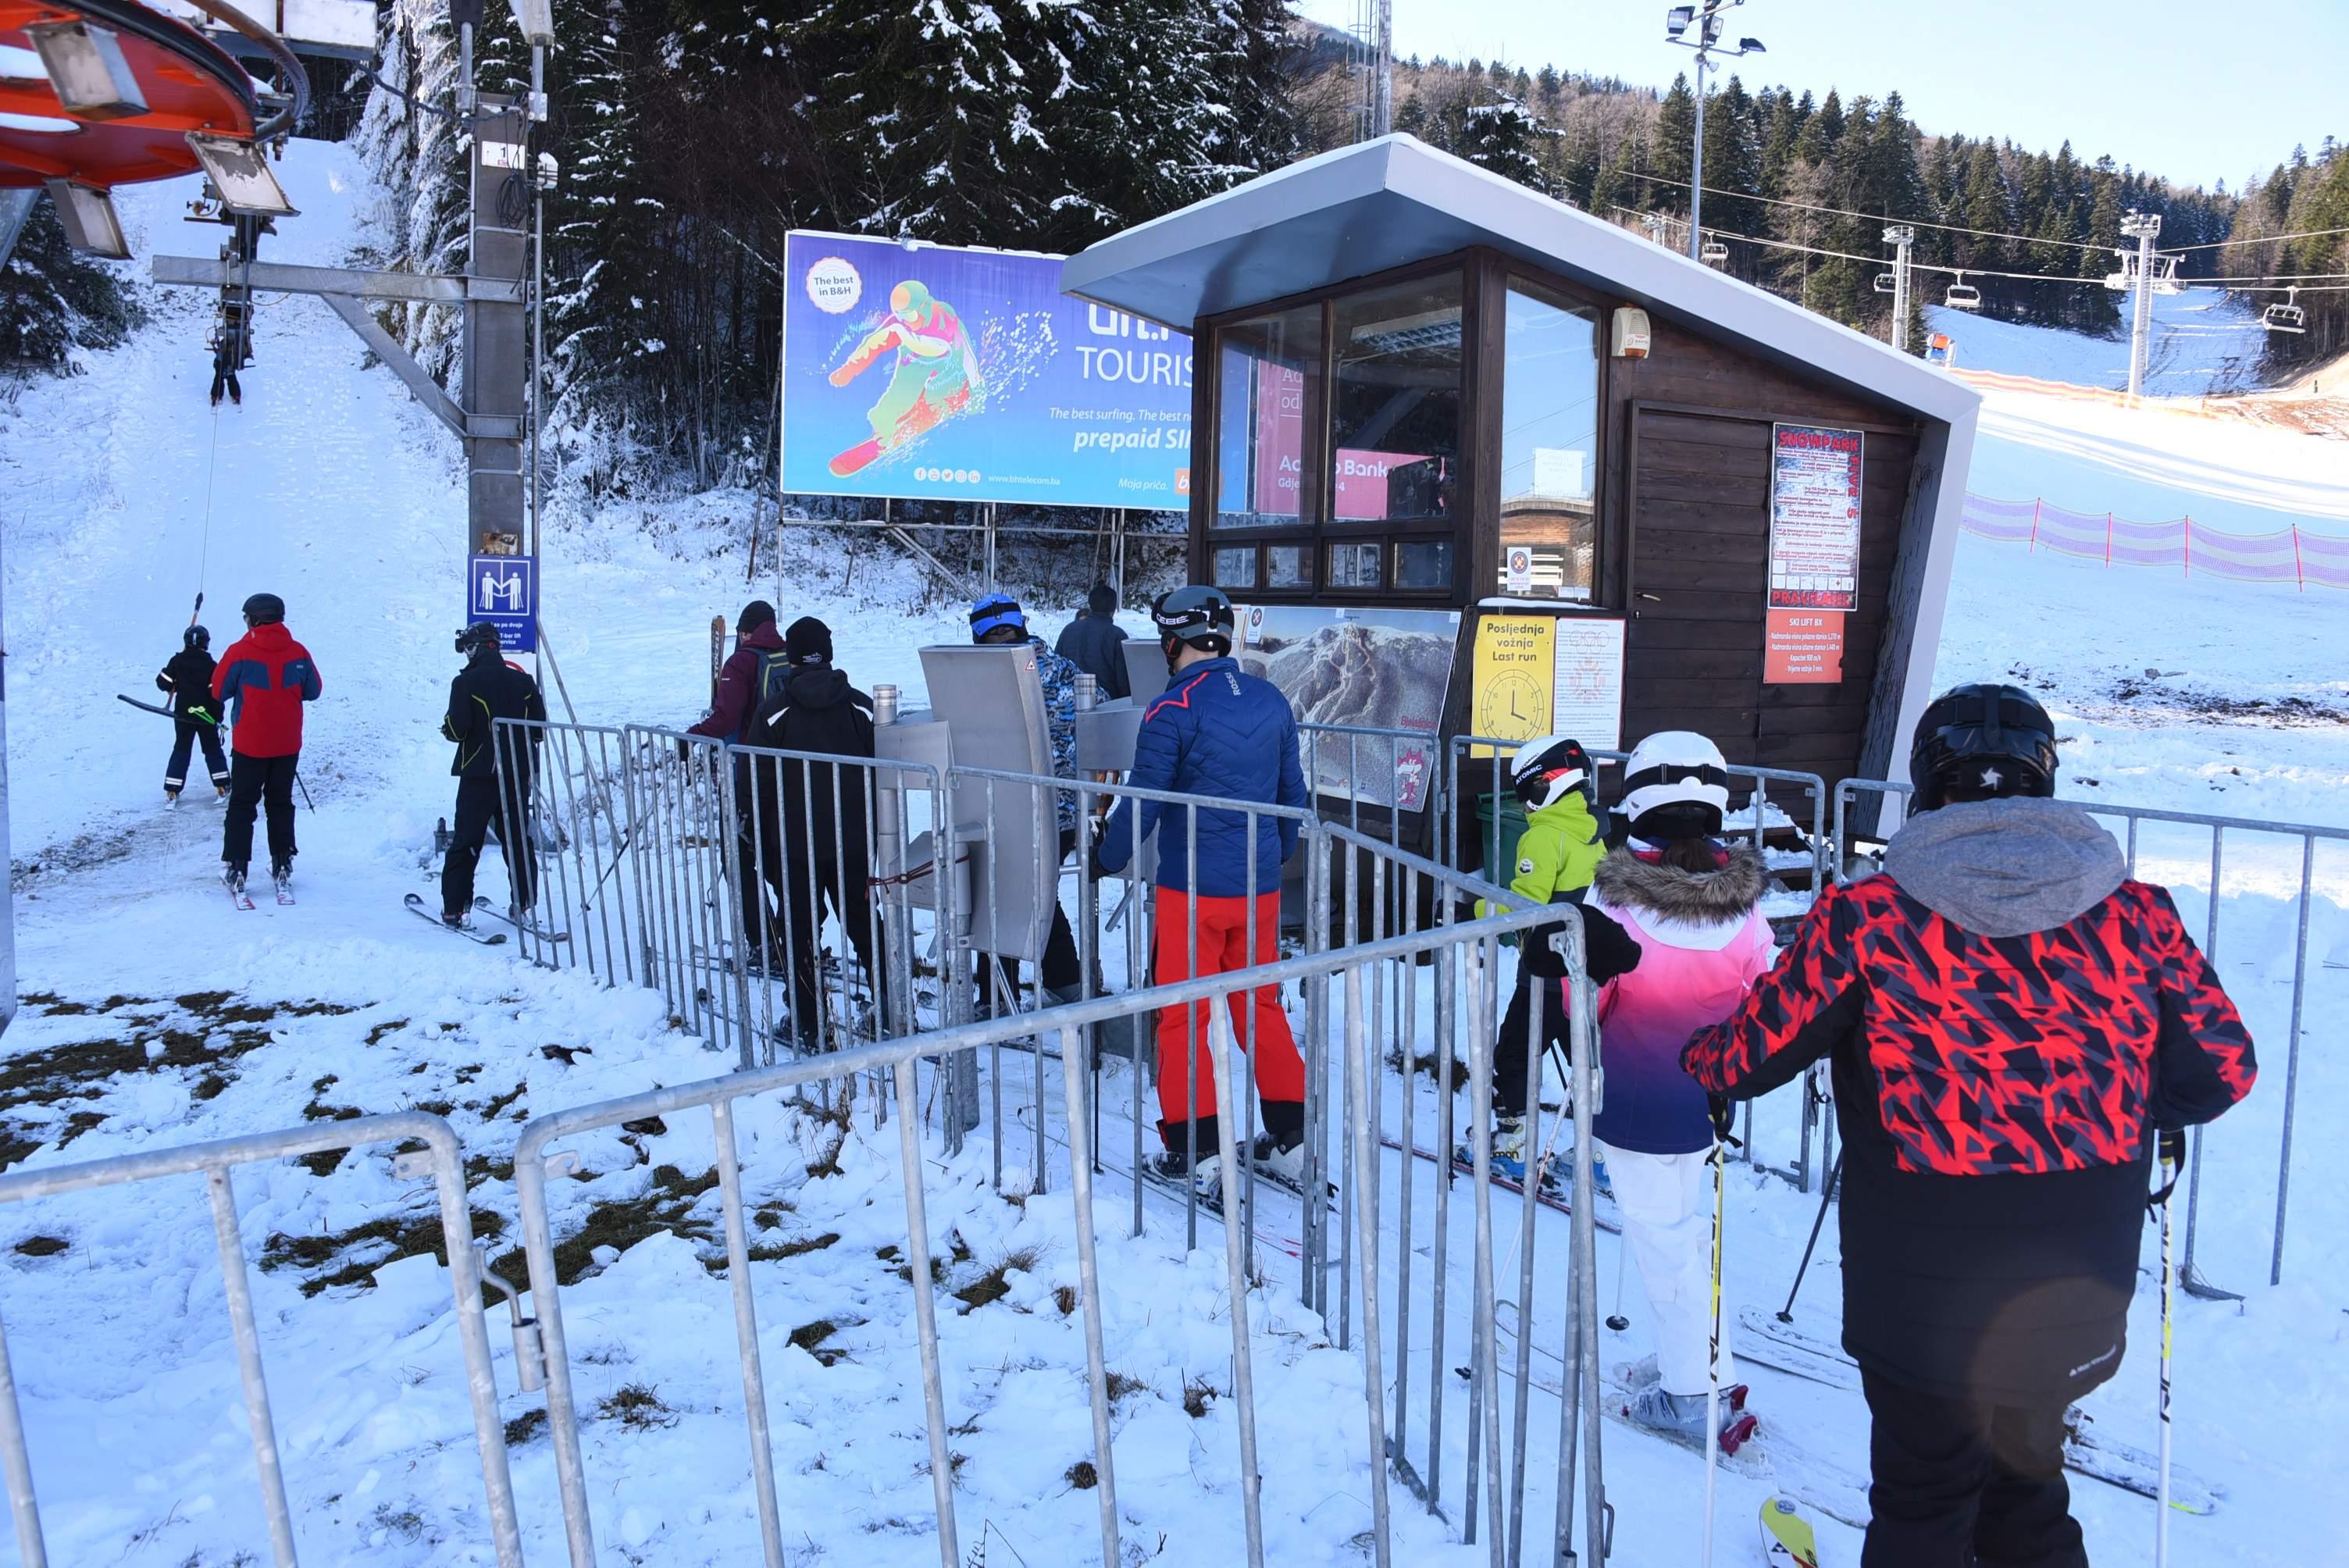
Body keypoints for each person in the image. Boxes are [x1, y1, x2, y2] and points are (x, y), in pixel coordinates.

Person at [1682, 683, 2258, 1568]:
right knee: (2027, 1492)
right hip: (2075, 1292)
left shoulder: (1867, 917)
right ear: (2046, 778)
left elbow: (1745, 1059)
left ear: (1925, 783)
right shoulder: (2136, 916)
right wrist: (2119, 1102)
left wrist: (1696, 1053)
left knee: (1924, 1500)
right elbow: (2222, 1067)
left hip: (1921, 1306)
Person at [1553, 730, 1777, 1451]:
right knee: (1690, 1234)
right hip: (1706, 1097)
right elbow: (1763, 989)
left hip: (1634, 1101)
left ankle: (1688, 1392)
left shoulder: (1613, 901)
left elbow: (1582, 1002)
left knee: (1663, 1243)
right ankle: (1703, 1364)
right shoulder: (1745, 906)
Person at [1091, 585, 1310, 1200]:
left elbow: (1145, 802)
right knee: (1260, 1005)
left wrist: (1105, 857)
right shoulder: (1271, 700)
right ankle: (1291, 1140)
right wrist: (1277, 852)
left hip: (1192, 892)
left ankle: (1197, 1150)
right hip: (1258, 885)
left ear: (1171, 642)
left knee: (1182, 1017)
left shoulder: (1172, 708)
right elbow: (1293, 796)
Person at [1463, 733, 1639, 1184]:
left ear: (1548, 784)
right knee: (1588, 1061)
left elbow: (1523, 905)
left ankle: (1514, 1143)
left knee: (1516, 1053)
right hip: (1585, 977)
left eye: (1527, 792)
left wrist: (1476, 907)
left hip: (1543, 973)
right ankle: (1599, 1155)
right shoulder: (1596, 834)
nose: (1525, 805)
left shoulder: (1543, 838)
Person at [744, 616, 885, 1048]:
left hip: (795, 845)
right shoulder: (862, 707)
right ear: (829, 653)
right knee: (863, 923)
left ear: (791, 655)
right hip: (853, 843)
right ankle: (892, 1007)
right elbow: (885, 774)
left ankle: (809, 1024)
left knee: (801, 929)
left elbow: (757, 781)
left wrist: (755, 836)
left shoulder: (772, 713)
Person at [970, 592, 1086, 1010]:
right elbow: (1100, 710)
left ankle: (996, 994)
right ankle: (1065, 980)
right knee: (1039, 895)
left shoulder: (984, 675)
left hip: (1004, 807)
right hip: (1065, 813)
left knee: (997, 897)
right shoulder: (1060, 666)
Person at [690, 600, 792, 960]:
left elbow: (724, 718)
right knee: (783, 860)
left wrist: (692, 735)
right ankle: (795, 937)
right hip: (789, 777)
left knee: (739, 860)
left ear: (744, 631)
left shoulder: (741, 662)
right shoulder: (789, 655)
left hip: (745, 778)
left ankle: (764, 943)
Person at [438, 623, 546, 928]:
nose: (466, 653)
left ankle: (456, 909)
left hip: (478, 773)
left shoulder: (465, 682)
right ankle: (524, 904)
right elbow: (538, 730)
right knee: (517, 840)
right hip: (516, 772)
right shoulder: (523, 682)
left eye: (466, 647)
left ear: (476, 647)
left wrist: (448, 727)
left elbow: (457, 729)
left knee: (467, 841)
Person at [211, 592, 319, 896]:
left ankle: (236, 866)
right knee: (280, 802)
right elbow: (314, 690)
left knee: (243, 804)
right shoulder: (298, 652)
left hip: (250, 744)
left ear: (255, 619)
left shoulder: (239, 652)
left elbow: (219, 690)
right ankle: (283, 861)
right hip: (287, 744)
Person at [825, 280, 983, 477]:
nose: (905, 320)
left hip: (946, 363)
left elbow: (966, 355)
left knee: (939, 390)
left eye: (908, 315)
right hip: (914, 360)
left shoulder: (945, 319)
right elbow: (874, 342)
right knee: (889, 407)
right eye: (900, 316)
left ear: (924, 306)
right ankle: (886, 431)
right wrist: (849, 369)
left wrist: (977, 390)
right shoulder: (901, 323)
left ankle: (940, 402)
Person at [156, 624, 230, 804]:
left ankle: (172, 789)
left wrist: (174, 678)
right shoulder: (212, 665)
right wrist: (218, 717)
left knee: (181, 749)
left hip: (183, 716)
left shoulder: (177, 661)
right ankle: (222, 785)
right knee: (212, 749)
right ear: (206, 643)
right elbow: (216, 694)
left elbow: (162, 683)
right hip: (207, 717)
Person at [1053, 583, 1131, 700]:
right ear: (1113, 609)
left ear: (1090, 605)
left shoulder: (1069, 629)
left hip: (1069, 701)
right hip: (1106, 705)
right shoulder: (1117, 635)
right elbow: (1124, 681)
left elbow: (1057, 666)